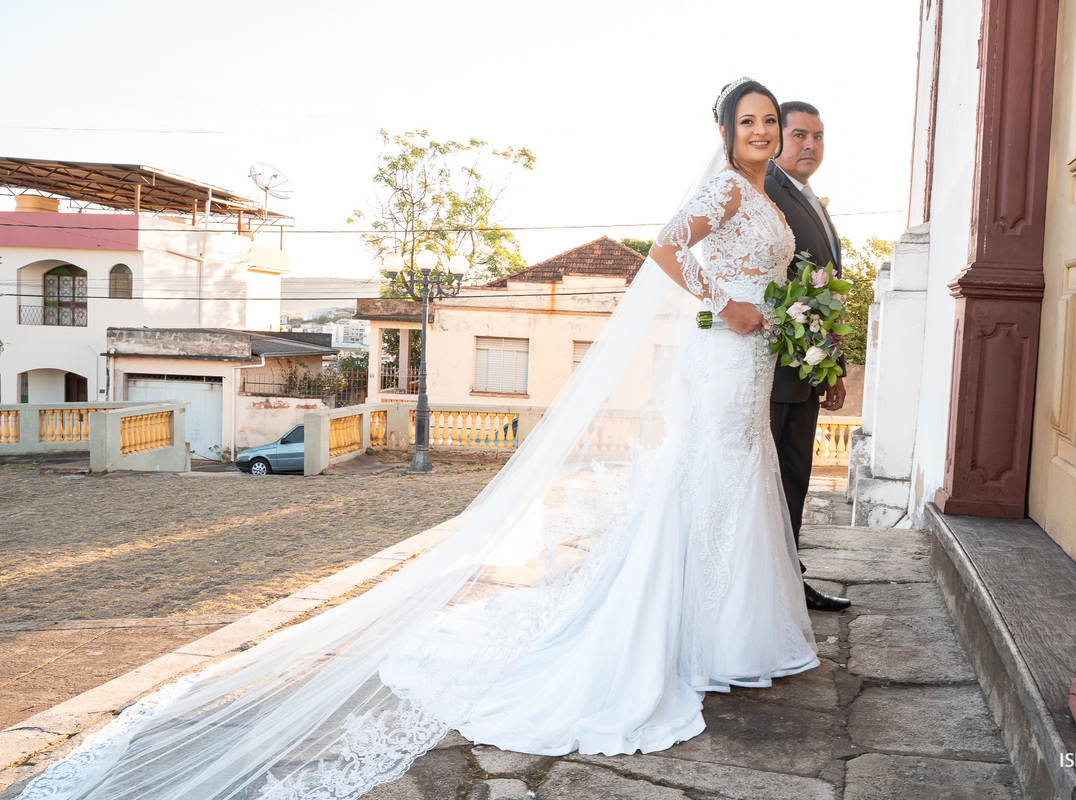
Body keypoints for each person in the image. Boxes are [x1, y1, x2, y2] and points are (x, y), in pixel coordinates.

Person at [15, 79, 819, 800]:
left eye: (768, 121)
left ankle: (724, 635)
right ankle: (683, 635)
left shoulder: (772, 199)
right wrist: (725, 306)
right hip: (723, 351)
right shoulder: (722, 187)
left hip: (751, 363)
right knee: (709, 476)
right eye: (748, 120)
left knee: (736, 481)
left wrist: (790, 326)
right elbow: (669, 249)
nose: (760, 130)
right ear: (725, 132)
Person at [764, 101, 851, 612]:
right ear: (778, 138)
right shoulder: (765, 191)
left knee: (795, 475)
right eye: (799, 135)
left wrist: (832, 364)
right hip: (770, 366)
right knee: (769, 478)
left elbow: (826, 289)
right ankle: (768, 584)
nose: (810, 145)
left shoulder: (811, 198)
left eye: (818, 136)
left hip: (806, 366)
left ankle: (788, 577)